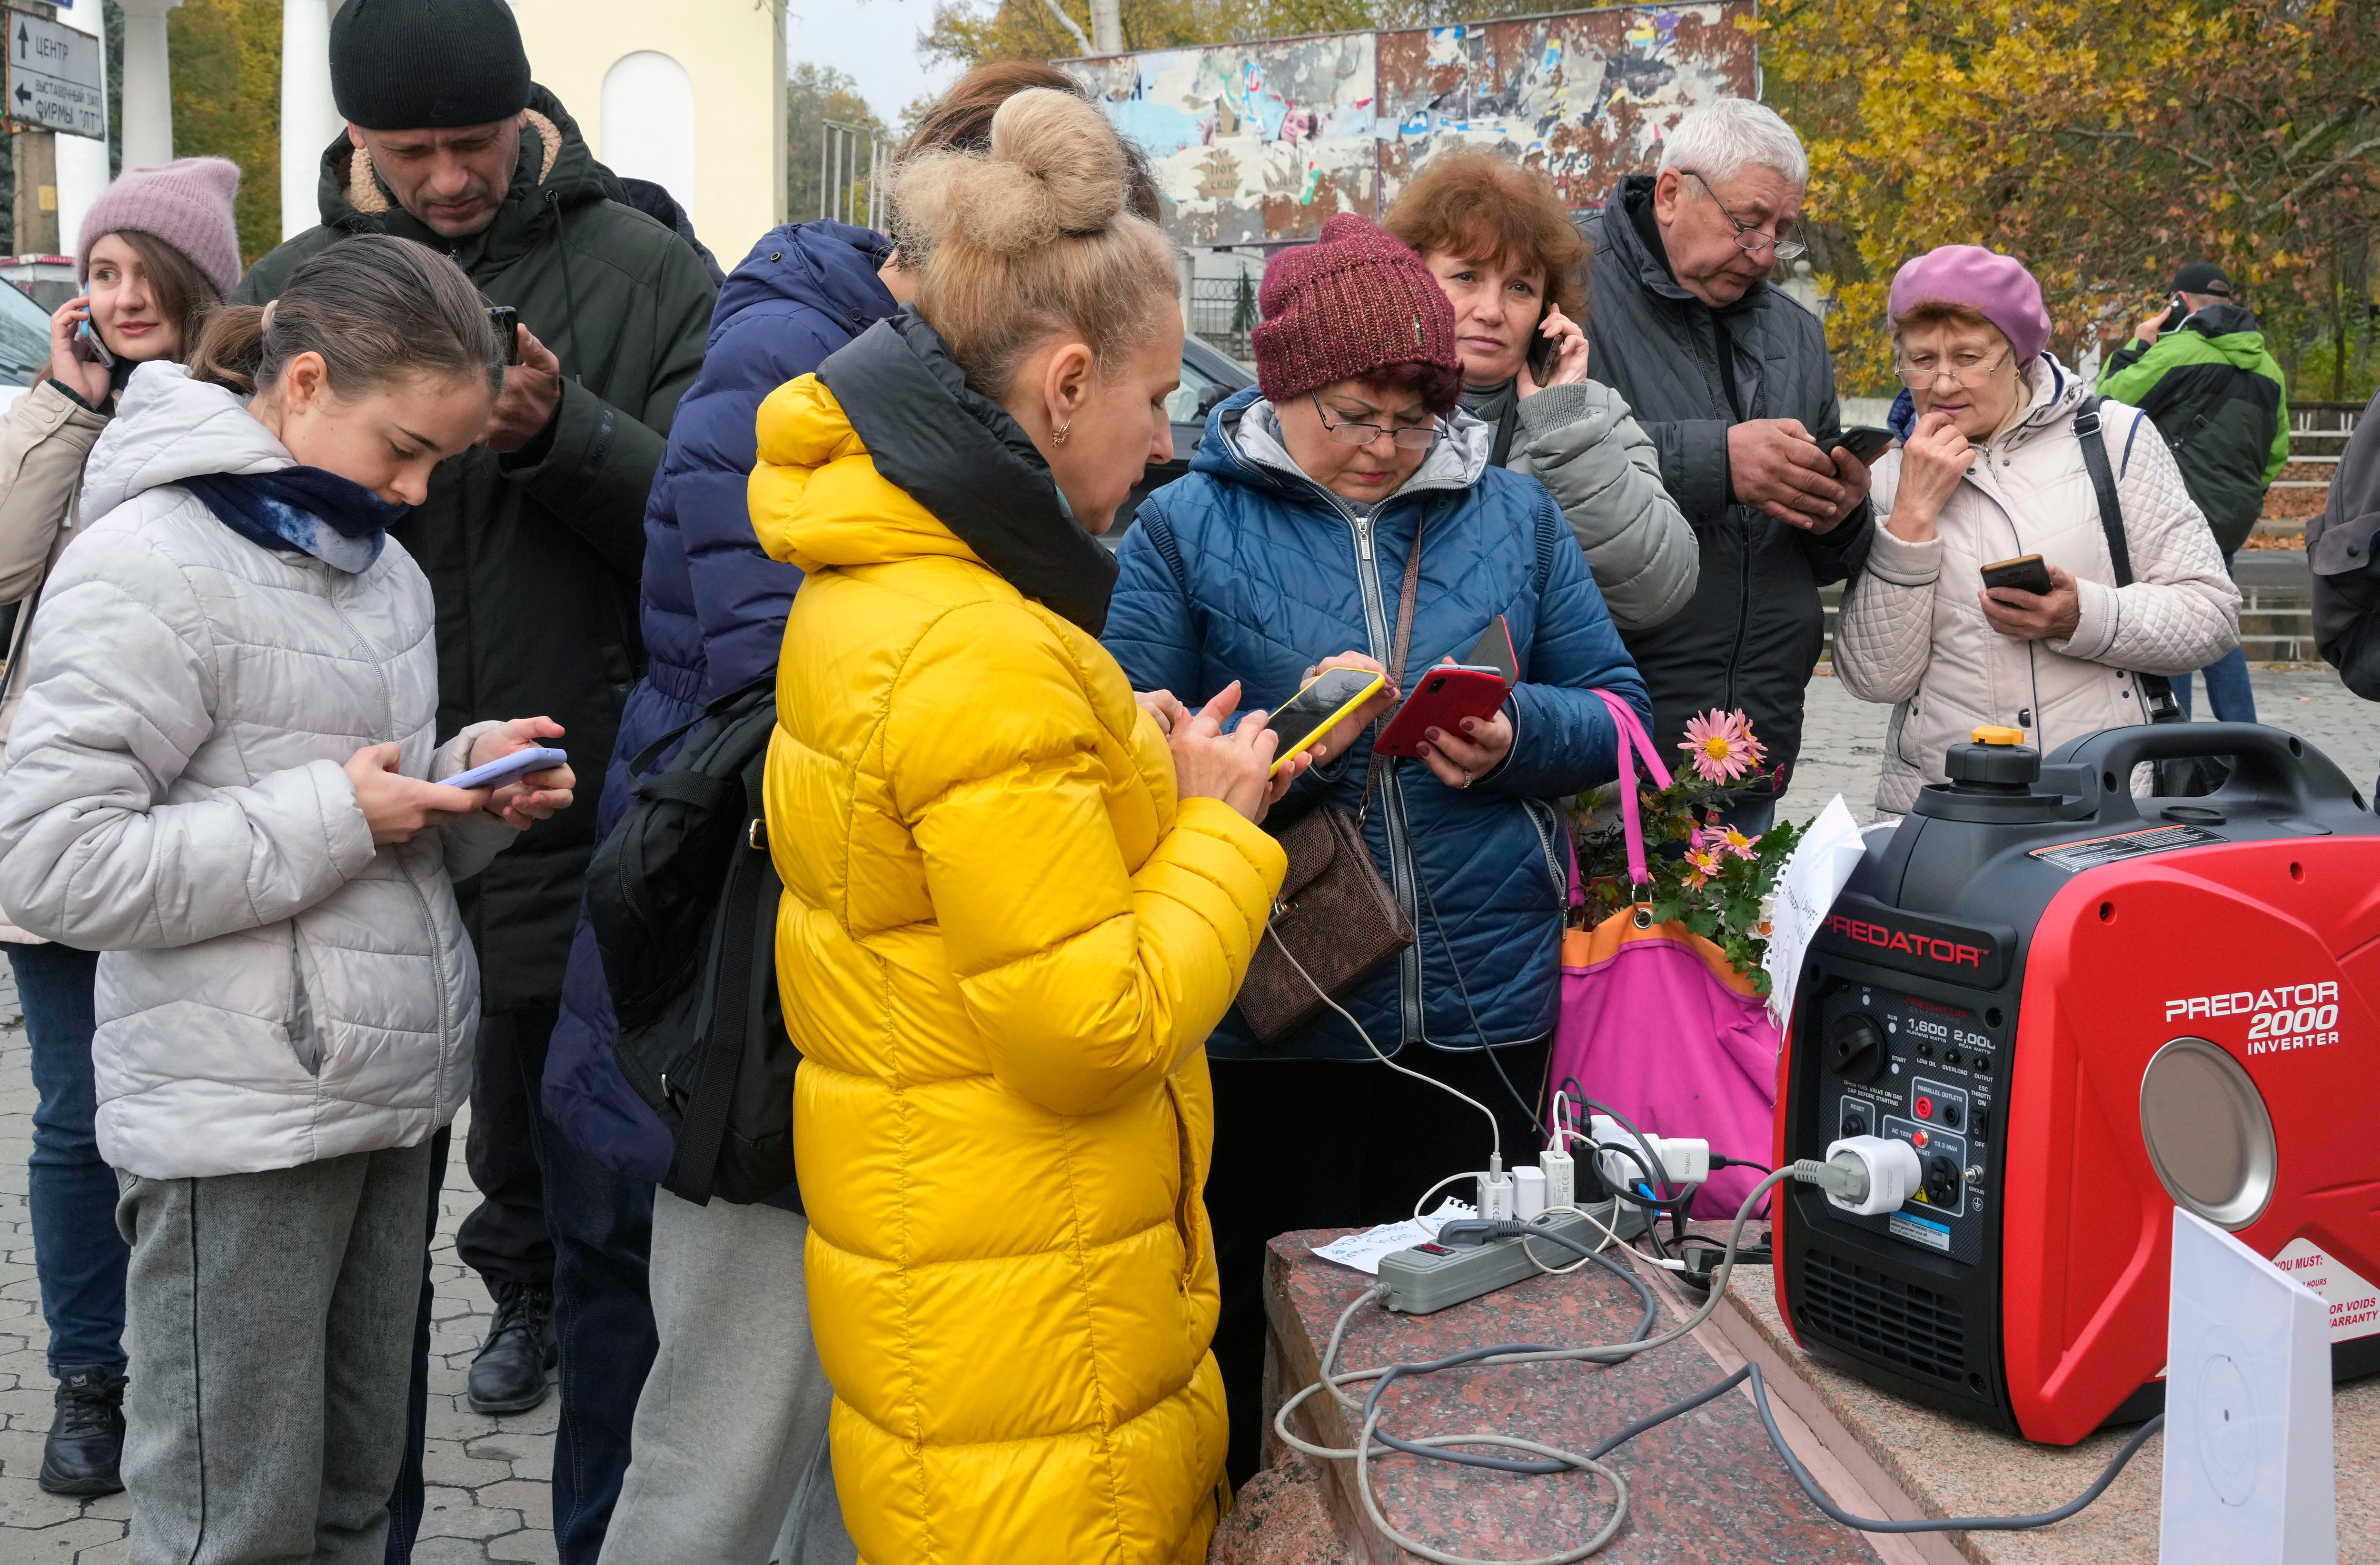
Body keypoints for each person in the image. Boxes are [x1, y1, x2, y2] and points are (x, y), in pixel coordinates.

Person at [553, 60, 1132, 1565]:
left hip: (859, 1025)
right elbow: (818, 720)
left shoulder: (912, 447)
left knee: (839, 1460)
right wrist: (1153, 808)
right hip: (775, 1021)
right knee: (729, 1449)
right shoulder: (834, 422)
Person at [750, 88, 1293, 1565]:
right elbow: (1084, 1028)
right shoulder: (980, 647)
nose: (1167, 437)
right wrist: (1217, 831)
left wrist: (1123, 760)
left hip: (970, 1288)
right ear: (1063, 387)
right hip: (1034, 1346)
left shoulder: (890, 582)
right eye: (1156, 397)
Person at [0, 234, 576, 1565]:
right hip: (235, 1132)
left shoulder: (377, 568)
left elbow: (338, 799)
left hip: (379, 1104)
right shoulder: (149, 559)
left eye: (443, 461)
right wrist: (347, 814)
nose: (422, 492)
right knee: (231, 1528)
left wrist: (458, 785)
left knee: (353, 1508)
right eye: (405, 451)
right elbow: (54, 860)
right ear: (303, 382)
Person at [233, 0, 715, 1555]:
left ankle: (599, 1517)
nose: (446, 178)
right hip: (342, 848)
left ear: (528, 111)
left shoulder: (644, 273)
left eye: (473, 143)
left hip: (580, 833)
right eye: (407, 149)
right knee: (352, 1276)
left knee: (608, 1238)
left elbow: (730, 536)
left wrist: (558, 429)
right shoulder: (285, 298)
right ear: (357, 141)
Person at [1104, 212, 1652, 1486]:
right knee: (1268, 1333)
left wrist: (1516, 735)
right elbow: (1128, 747)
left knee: (1464, 1337)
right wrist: (1266, 746)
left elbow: (1623, 714)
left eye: (1412, 423)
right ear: (1282, 387)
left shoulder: (1512, 515)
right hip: (1277, 1012)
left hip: (1480, 1009)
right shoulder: (1185, 525)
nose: (1382, 451)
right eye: (1352, 416)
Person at [0, 155, 240, 1500]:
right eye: (100, 272)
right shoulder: (57, 416)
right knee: (77, 1114)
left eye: (145, 270)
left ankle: (198, 1367)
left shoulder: (260, 404)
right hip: (61, 821)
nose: (122, 294)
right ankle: (91, 1377)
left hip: (206, 820)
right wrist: (61, 405)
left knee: (196, 1107)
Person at [1833, 246, 2240, 813]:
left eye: (1969, 357)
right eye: (1921, 360)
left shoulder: (2113, 440)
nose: (1943, 383)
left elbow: (2211, 614)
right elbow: (1874, 679)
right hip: (1941, 812)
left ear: (2019, 354)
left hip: (2102, 802)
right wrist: (1911, 517)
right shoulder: (1890, 470)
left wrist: (2084, 616)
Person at [1579, 98, 1873, 832]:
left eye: (1783, 231)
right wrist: (1717, 462)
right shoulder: (1564, 280)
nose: (1767, 252)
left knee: (1726, 948)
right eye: (1748, 222)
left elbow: (1824, 558)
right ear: (1673, 193)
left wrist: (1840, 512)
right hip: (1605, 745)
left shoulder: (1797, 334)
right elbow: (1520, 456)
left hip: (1753, 741)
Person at [1383, 148, 1697, 630]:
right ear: (1410, 280)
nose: (1491, 310)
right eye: (1466, 276)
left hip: (1522, 699)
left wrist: (1562, 427)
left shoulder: (1588, 414)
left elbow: (1657, 593)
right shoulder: (1360, 408)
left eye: (1519, 288)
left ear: (1547, 311)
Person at [2096, 260, 2287, 723]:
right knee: (2218, 623)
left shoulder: (2177, 351)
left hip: (2172, 515)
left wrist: (2138, 344)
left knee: (2172, 627)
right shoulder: (2269, 367)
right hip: (2230, 518)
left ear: (2178, 303)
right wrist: (2241, 500)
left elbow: (2105, 399)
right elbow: (2276, 452)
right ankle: (2247, 748)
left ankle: (2172, 748)